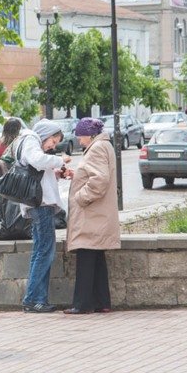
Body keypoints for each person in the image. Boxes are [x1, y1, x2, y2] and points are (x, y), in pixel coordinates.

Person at [63, 117, 120, 314]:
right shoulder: (104, 146)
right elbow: (94, 174)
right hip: (98, 215)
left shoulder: (96, 148)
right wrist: (76, 176)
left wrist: (80, 197)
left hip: (91, 215)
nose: (79, 140)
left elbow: (99, 180)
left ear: (90, 135)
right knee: (97, 258)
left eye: (81, 136)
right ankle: (102, 302)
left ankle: (83, 304)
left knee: (86, 257)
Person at [19, 119, 71, 313]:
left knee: (41, 251)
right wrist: (60, 160)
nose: (53, 146)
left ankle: (39, 299)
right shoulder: (31, 139)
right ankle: (32, 299)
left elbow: (38, 169)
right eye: (53, 141)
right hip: (41, 205)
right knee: (45, 252)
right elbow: (37, 161)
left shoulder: (31, 142)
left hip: (40, 204)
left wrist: (55, 173)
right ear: (46, 134)